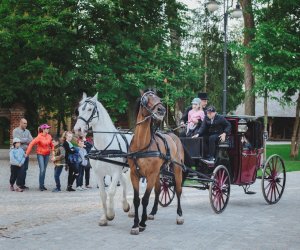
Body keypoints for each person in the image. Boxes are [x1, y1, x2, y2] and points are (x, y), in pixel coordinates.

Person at [26, 124, 54, 191]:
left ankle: (42, 185)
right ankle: (41, 186)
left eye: (48, 128)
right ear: (43, 129)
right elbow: (31, 144)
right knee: (42, 169)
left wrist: (53, 153)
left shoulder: (49, 136)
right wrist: (27, 153)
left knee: (44, 170)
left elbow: (52, 145)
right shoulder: (39, 137)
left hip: (47, 154)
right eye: (47, 128)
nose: (48, 129)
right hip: (40, 154)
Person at [13, 118, 33, 190]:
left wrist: (23, 140)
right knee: (20, 168)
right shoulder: (15, 131)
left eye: (26, 123)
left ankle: (22, 184)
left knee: (25, 169)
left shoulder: (27, 131)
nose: (25, 125)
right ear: (20, 123)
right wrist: (25, 140)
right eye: (24, 123)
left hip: (26, 152)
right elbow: (17, 140)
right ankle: (18, 184)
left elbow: (31, 140)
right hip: (19, 152)